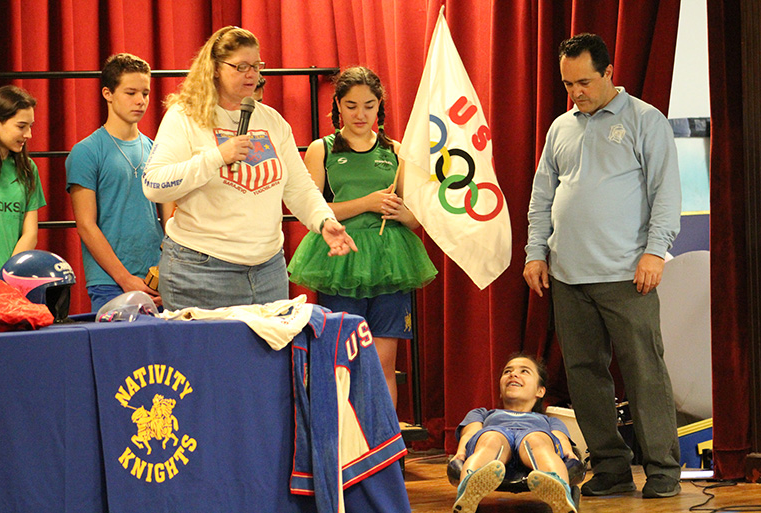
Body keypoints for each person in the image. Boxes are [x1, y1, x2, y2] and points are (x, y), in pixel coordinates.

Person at [523, 33, 682, 499]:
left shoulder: (644, 120)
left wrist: (655, 251)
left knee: (644, 373)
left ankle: (662, 472)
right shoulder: (560, 128)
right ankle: (611, 470)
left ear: (610, 73)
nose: (577, 92)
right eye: (569, 84)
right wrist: (536, 252)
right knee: (585, 375)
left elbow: (666, 195)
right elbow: (542, 198)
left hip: (627, 273)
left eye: (585, 82)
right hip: (569, 275)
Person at [143, 26, 355, 311]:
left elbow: (299, 186)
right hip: (200, 271)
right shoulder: (185, 117)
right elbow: (153, 184)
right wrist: (216, 157)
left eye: (256, 66)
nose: (252, 75)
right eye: (241, 66)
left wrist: (323, 221)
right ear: (215, 69)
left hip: (267, 271)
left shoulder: (272, 121)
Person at [287, 66, 436, 406]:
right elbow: (313, 211)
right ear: (338, 105)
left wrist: (402, 213)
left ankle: (385, 449)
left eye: (369, 105)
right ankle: (344, 448)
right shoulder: (320, 149)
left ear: (379, 105)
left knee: (383, 363)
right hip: (341, 261)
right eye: (352, 105)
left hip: (391, 263)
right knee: (343, 361)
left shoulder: (396, 151)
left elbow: (415, 219)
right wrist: (365, 203)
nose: (360, 114)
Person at [66, 53, 172, 312]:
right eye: (131, 92)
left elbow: (170, 219)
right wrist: (124, 279)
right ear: (107, 93)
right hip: (109, 281)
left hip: (157, 279)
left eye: (145, 93)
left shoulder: (157, 150)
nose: (140, 101)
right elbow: (86, 225)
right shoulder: (86, 152)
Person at [451, 354, 578, 513]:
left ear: (540, 391)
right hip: (495, 450)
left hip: (533, 444)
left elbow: (561, 438)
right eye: (507, 372)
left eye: (524, 371)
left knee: (537, 439)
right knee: (492, 438)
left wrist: (569, 454)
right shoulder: (483, 414)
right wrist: (461, 453)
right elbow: (469, 434)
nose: (513, 374)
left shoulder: (549, 421)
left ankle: (558, 490)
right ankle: (469, 490)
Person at [0, 85, 46, 274]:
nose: (28, 134)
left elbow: (30, 233)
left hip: (10, 283)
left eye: (30, 126)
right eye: (21, 126)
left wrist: (6, 275)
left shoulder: (28, 169)